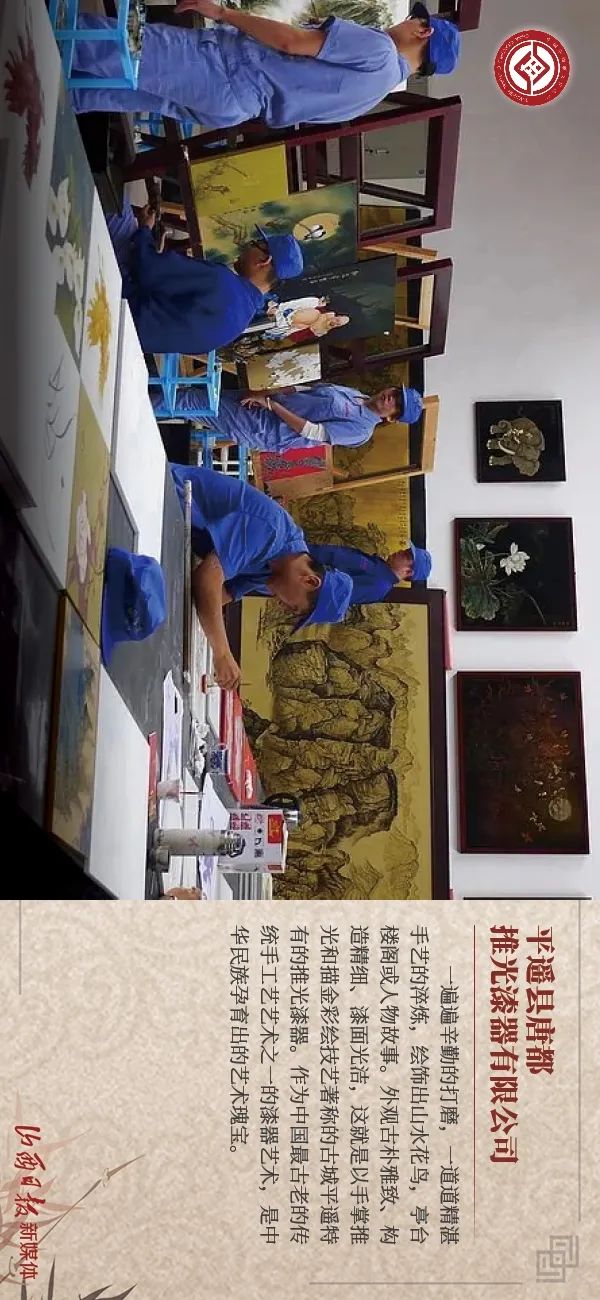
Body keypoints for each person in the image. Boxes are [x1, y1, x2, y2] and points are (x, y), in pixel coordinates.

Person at [69, 3, 461, 127]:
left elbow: (292, 42)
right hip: (233, 107)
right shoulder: (373, 96)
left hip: (221, 68)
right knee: (112, 91)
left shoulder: (380, 51)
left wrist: (222, 12)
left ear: (422, 31)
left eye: (412, 19)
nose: (404, 21)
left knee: (111, 45)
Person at [169, 464, 353, 689]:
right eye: (293, 607)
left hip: (178, 528)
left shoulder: (275, 573)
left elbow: (222, 594)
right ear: (310, 581)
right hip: (165, 493)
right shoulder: (271, 531)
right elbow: (207, 578)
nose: (283, 607)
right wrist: (222, 653)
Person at [106, 204, 304, 355]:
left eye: (255, 243)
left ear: (264, 260)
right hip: (122, 342)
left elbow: (147, 268)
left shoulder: (222, 282)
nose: (246, 247)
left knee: (120, 211)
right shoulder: (238, 325)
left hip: (114, 303)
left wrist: (144, 230)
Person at [152, 382, 424, 452]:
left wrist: (271, 405)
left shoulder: (361, 430)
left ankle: (134, 398)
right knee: (196, 395)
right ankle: (145, 397)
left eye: (396, 404)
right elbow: (307, 389)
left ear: (392, 418)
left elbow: (312, 432)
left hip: (264, 428)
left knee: (193, 402)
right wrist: (265, 393)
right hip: (264, 404)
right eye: (395, 393)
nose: (391, 398)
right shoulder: (357, 394)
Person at [308, 540, 432, 602]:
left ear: (408, 572)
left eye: (406, 555)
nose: (400, 551)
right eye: (405, 550)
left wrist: (306, 571)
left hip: (305, 573)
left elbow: (333, 592)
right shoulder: (379, 569)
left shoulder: (379, 585)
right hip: (307, 557)